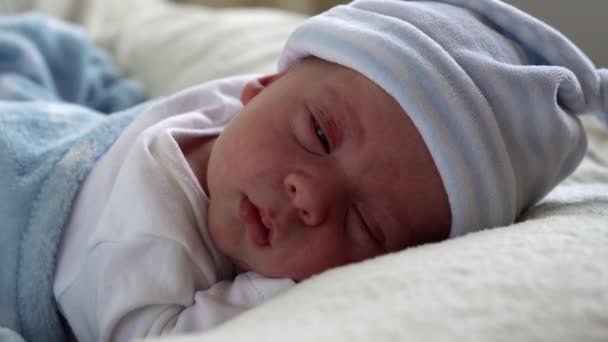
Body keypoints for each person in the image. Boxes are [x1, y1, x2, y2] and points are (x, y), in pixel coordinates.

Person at [2, 0, 607, 341]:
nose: (309, 196)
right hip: (68, 140)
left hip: (25, 209)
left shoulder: (146, 261)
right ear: (263, 85)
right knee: (55, 59)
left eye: (366, 225)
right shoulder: (236, 117)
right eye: (319, 135)